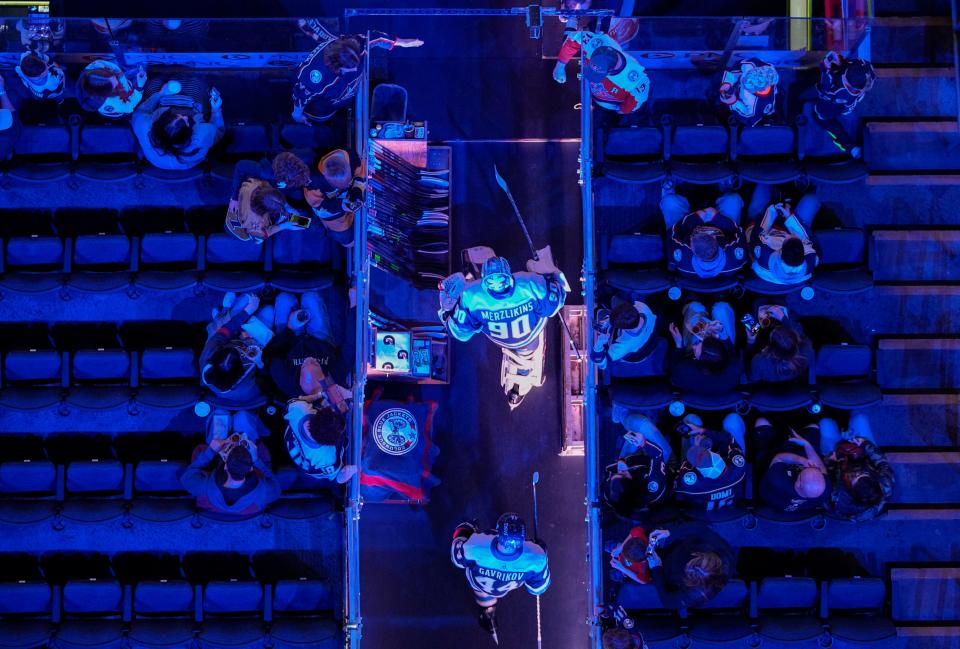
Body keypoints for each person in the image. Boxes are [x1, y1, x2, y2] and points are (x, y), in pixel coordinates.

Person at [439, 251, 568, 408]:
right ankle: (523, 373)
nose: (497, 283)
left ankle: (523, 373)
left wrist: (447, 306)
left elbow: (459, 333)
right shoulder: (529, 283)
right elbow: (557, 301)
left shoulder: (471, 296)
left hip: (501, 339)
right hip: (529, 336)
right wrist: (549, 275)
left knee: (460, 282)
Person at [451, 513, 550, 643]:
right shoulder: (535, 557)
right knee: (496, 587)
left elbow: (456, 558)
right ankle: (489, 615)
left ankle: (487, 614)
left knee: (481, 590)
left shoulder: (476, 545)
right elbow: (538, 589)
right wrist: (540, 550)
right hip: (505, 588)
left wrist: (466, 529)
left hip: (478, 582)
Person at [292, 32, 424, 123]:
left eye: (356, 64)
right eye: (350, 68)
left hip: (347, 95)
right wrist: (298, 115)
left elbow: (377, 38)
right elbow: (300, 96)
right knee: (325, 120)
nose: (355, 69)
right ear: (336, 67)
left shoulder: (358, 43)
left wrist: (402, 42)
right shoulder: (314, 77)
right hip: (322, 108)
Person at [180, 410, 280, 518]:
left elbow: (186, 477)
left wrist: (211, 451)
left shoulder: (205, 488)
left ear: (226, 466)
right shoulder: (263, 493)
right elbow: (274, 483)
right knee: (242, 416)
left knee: (220, 412)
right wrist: (256, 460)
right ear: (251, 469)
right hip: (246, 458)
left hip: (218, 456)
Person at [263, 291, 349, 400]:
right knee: (310, 297)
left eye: (304, 365)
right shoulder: (335, 379)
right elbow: (349, 348)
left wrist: (289, 328)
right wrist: (354, 304)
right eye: (315, 363)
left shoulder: (286, 382)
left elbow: (270, 354)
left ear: (300, 380)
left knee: (284, 299)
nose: (309, 358)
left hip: (289, 339)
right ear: (324, 378)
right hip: (320, 339)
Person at [271, 148, 363, 246]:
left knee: (311, 223)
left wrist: (357, 190)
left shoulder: (311, 188)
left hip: (313, 209)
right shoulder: (311, 189)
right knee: (348, 242)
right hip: (320, 211)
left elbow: (360, 168)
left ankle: (290, 218)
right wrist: (281, 226)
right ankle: (289, 218)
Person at [200, 292, 275, 406]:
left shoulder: (207, 356)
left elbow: (222, 334)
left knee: (248, 299)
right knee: (268, 310)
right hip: (255, 345)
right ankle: (222, 315)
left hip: (236, 336)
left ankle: (224, 313)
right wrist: (260, 362)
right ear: (240, 372)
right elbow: (268, 377)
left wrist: (246, 313)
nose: (237, 350)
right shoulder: (248, 390)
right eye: (237, 356)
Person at [660, 183, 746, 281]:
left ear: (691, 248)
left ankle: (669, 182)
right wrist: (716, 217)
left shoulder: (682, 256)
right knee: (733, 199)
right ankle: (729, 181)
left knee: (669, 202)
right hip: (722, 224)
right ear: (715, 238)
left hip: (689, 224)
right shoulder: (735, 258)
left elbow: (672, 232)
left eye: (694, 236)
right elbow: (739, 231)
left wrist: (696, 218)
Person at [132, 80, 224, 170]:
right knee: (197, 83)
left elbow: (139, 113)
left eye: (177, 116)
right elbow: (219, 131)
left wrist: (161, 93)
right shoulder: (203, 134)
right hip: (193, 110)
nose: (185, 116)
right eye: (185, 121)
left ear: (157, 124)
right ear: (189, 134)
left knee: (155, 81)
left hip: (157, 161)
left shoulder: (145, 127)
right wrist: (216, 110)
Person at [553, 31, 650, 114]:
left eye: (597, 74)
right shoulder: (595, 42)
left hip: (608, 108)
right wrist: (560, 66)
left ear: (610, 71)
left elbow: (631, 106)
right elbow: (573, 38)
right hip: (589, 90)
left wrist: (620, 111)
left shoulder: (637, 81)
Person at [820, 413, 893, 522]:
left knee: (825, 423)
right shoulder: (885, 486)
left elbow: (823, 476)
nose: (857, 472)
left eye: (854, 476)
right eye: (864, 474)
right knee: (860, 418)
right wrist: (865, 444)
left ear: (851, 491)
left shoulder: (838, 499)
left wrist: (830, 462)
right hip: (862, 455)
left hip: (837, 460)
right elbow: (882, 463)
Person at [745, 184, 819, 286]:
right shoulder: (810, 260)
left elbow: (757, 231)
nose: (788, 236)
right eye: (795, 239)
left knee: (762, 185)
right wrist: (789, 217)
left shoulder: (764, 254)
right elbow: (808, 238)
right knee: (812, 200)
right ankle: (799, 187)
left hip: (759, 224)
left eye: (787, 239)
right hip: (789, 226)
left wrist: (773, 208)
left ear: (780, 251)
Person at [644, 525, 734, 608]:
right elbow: (700, 528)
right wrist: (670, 532)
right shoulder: (724, 553)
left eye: (691, 570)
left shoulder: (695, 595)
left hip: (667, 570)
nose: (688, 563)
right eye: (698, 559)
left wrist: (656, 569)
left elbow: (668, 602)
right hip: (680, 548)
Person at [672, 413, 747, 511]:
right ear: (721, 457)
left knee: (691, 419)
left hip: (699, 492)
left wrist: (698, 445)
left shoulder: (689, 481)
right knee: (733, 420)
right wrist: (704, 431)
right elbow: (729, 439)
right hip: (732, 485)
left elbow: (679, 480)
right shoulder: (738, 466)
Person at [604, 408, 671, 518]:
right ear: (632, 483)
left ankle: (625, 414)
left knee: (637, 431)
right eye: (623, 473)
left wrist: (621, 462)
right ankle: (623, 415)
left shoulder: (610, 495)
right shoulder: (652, 488)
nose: (619, 471)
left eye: (616, 474)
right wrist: (643, 444)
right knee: (643, 425)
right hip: (662, 462)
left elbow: (608, 470)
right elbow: (658, 455)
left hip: (634, 461)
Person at [757, 417, 831, 514]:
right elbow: (821, 468)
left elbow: (778, 458)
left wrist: (800, 460)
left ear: (798, 483)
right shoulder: (823, 490)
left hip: (775, 464)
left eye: (804, 469)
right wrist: (806, 444)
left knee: (761, 422)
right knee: (813, 427)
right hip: (798, 458)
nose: (809, 465)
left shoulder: (778, 481)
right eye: (814, 468)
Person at [814, 51, 876, 158]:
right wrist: (839, 59)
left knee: (824, 119)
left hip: (831, 107)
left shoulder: (841, 93)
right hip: (843, 101)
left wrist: (825, 67)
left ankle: (850, 147)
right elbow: (848, 62)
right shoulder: (863, 66)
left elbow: (825, 90)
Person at [283, 396, 356, 484]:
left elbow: (299, 400)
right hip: (311, 467)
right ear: (331, 444)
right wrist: (351, 470)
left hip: (291, 439)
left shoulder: (298, 408)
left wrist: (320, 394)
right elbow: (338, 479)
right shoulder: (326, 458)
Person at [745, 304, 812, 383]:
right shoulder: (806, 353)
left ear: (769, 348)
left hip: (759, 342)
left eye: (774, 333)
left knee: (747, 317)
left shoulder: (759, 361)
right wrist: (783, 318)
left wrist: (751, 340)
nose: (775, 329)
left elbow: (748, 366)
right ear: (795, 340)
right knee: (791, 313)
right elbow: (803, 336)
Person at [591, 301, 658, 370]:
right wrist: (608, 320)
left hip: (636, 354)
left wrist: (599, 344)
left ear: (624, 329)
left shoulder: (624, 346)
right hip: (650, 330)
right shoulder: (641, 307)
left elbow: (602, 364)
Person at [76, 60, 146, 119]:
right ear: (106, 94)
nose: (118, 81)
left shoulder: (96, 65)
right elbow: (129, 106)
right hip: (124, 106)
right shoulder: (112, 103)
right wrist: (139, 87)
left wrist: (125, 72)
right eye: (116, 86)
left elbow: (116, 71)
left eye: (112, 75)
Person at [719, 58, 779, 127]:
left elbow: (748, 119)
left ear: (761, 90)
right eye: (745, 78)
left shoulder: (757, 107)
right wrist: (728, 82)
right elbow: (739, 65)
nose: (743, 83)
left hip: (738, 104)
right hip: (734, 89)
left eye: (748, 86)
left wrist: (733, 102)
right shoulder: (751, 65)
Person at [0, 75, 21, 162]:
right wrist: (1, 90)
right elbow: (9, 110)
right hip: (8, 114)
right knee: (13, 95)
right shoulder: (8, 134)